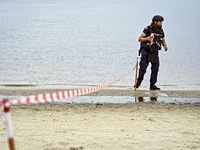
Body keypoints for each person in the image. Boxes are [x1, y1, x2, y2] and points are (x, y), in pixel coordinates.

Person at [135, 15, 168, 90]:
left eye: (161, 22)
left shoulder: (161, 30)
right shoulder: (148, 29)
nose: (161, 23)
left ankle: (152, 85)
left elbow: (163, 39)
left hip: (154, 51)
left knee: (155, 68)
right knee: (143, 69)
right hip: (146, 51)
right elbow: (139, 39)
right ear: (155, 22)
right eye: (160, 22)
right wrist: (147, 38)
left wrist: (165, 45)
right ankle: (138, 83)